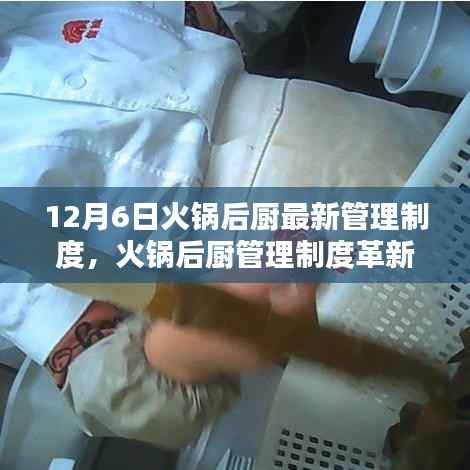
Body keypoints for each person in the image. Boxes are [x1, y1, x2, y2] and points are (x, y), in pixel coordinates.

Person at [0, 1, 448, 449]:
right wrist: (214, 321)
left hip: (364, 132)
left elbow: (221, 13)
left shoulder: (35, 15)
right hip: (291, 277)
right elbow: (114, 388)